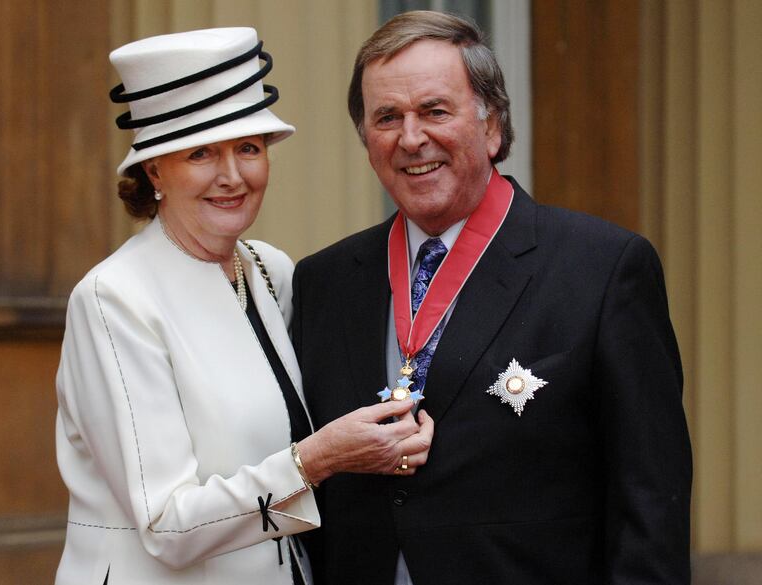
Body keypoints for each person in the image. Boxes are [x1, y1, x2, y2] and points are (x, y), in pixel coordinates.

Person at [292, 11, 692, 585]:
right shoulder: (324, 281)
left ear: (492, 127)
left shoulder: (602, 269)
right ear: (366, 140)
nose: (411, 138)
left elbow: (651, 499)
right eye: (387, 118)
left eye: (434, 111)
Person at [54, 27, 433, 585]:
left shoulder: (269, 271)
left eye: (248, 149)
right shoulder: (114, 300)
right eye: (201, 153)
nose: (232, 176)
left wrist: (388, 439)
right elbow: (166, 525)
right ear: (155, 170)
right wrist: (319, 459)